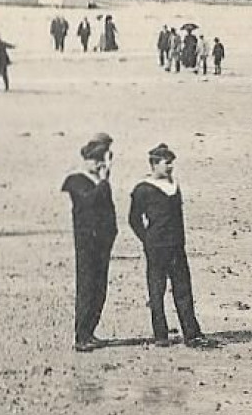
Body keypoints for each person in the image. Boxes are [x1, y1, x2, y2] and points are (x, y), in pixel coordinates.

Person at [129, 144, 207, 347]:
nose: (171, 166)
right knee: (157, 291)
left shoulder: (174, 186)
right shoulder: (143, 189)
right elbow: (134, 219)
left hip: (176, 246)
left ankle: (192, 333)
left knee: (183, 289)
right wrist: (147, 240)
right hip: (156, 247)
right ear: (154, 164)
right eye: (166, 162)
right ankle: (160, 335)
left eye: (172, 162)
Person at [62, 133, 118, 352]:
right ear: (86, 160)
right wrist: (104, 181)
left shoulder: (100, 182)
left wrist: (112, 232)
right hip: (87, 242)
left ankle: (91, 331)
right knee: (86, 286)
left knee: (100, 287)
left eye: (102, 159)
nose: (99, 164)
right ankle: (81, 335)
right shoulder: (76, 181)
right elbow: (89, 202)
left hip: (103, 241)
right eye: (95, 160)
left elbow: (107, 209)